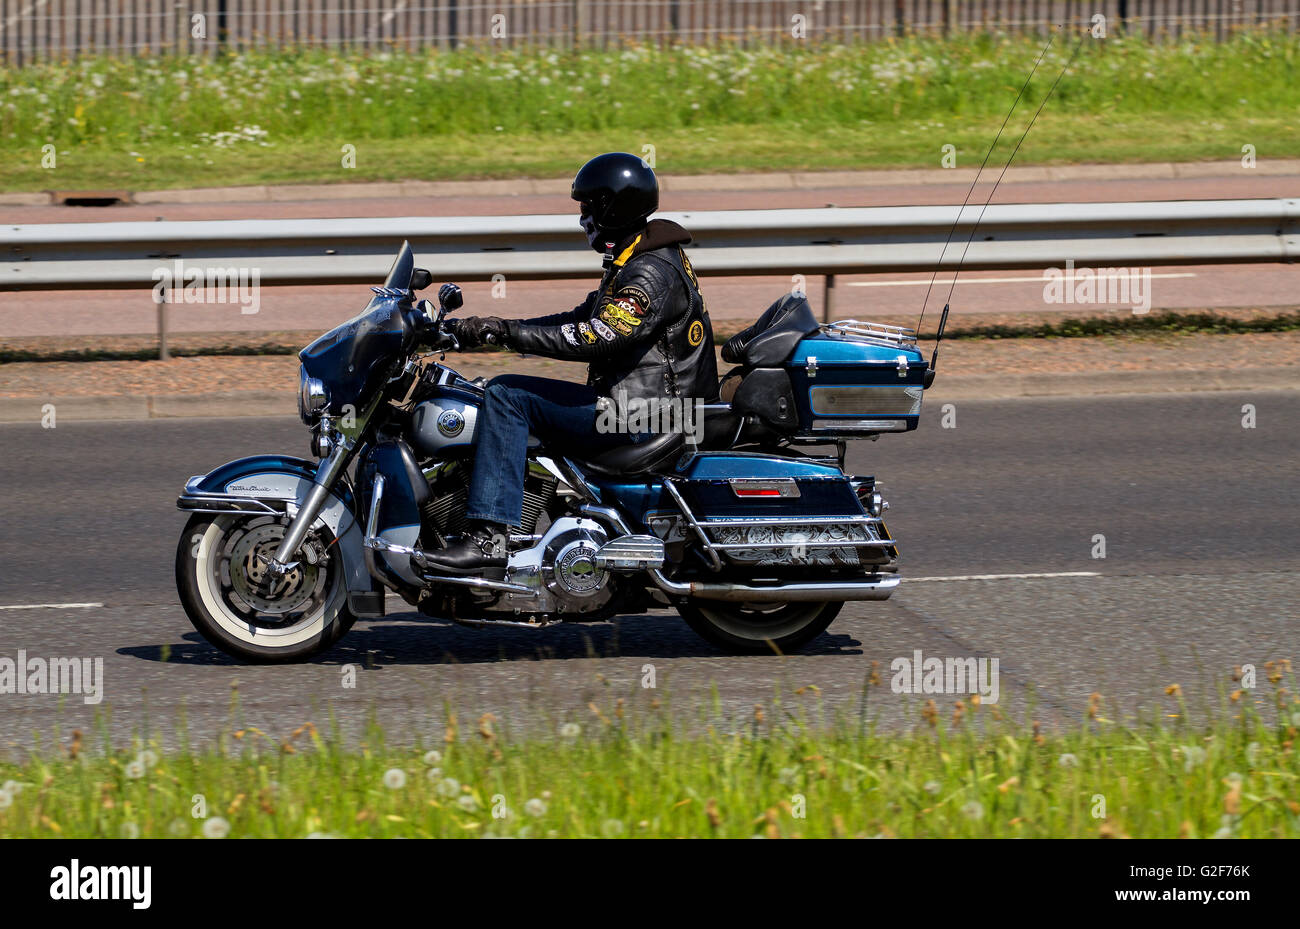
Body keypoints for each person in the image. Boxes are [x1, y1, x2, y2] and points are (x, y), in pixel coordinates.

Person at [428, 151, 718, 574]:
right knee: (494, 390)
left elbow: (597, 336)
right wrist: (491, 328)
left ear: (612, 208)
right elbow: (583, 316)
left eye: (589, 208)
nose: (584, 218)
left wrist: (504, 334)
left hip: (646, 416)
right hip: (647, 409)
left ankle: (489, 538)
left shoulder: (649, 273)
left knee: (507, 396)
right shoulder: (640, 257)